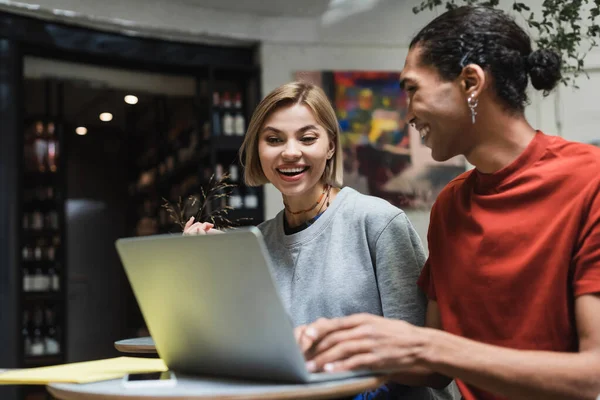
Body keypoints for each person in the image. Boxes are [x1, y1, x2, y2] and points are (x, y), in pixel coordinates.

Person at [295, 5, 600, 400]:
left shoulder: (589, 181)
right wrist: (335, 346)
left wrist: (427, 345)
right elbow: (435, 370)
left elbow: (592, 375)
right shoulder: (451, 206)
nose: (406, 115)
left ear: (470, 82)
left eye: (411, 89)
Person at [185, 81, 455, 399]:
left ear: (329, 146)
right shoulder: (258, 243)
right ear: (259, 149)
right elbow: (248, 353)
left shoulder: (378, 222)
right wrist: (214, 269)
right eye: (273, 139)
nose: (290, 152)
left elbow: (429, 367)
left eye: (307, 138)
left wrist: (330, 351)